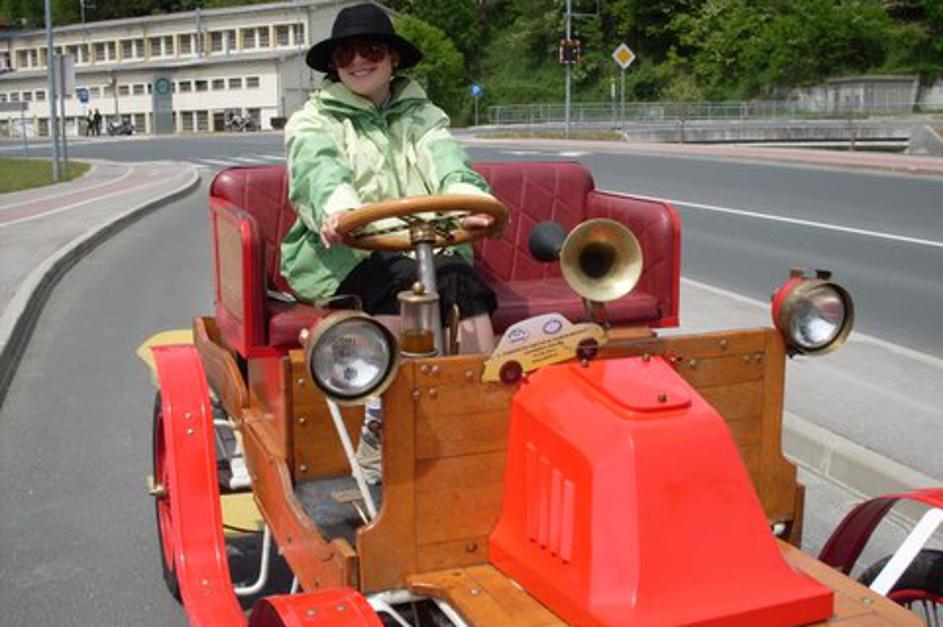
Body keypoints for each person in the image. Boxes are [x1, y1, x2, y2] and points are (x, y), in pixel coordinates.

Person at [282, 3, 501, 483]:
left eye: (371, 50)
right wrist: (337, 210)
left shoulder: (423, 116)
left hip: (426, 242)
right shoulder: (313, 121)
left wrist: (468, 199)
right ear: (334, 65)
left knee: (465, 287)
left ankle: (474, 413)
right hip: (346, 251)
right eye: (346, 54)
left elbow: (448, 163)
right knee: (402, 286)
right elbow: (318, 170)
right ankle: (382, 423)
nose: (359, 61)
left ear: (393, 59)